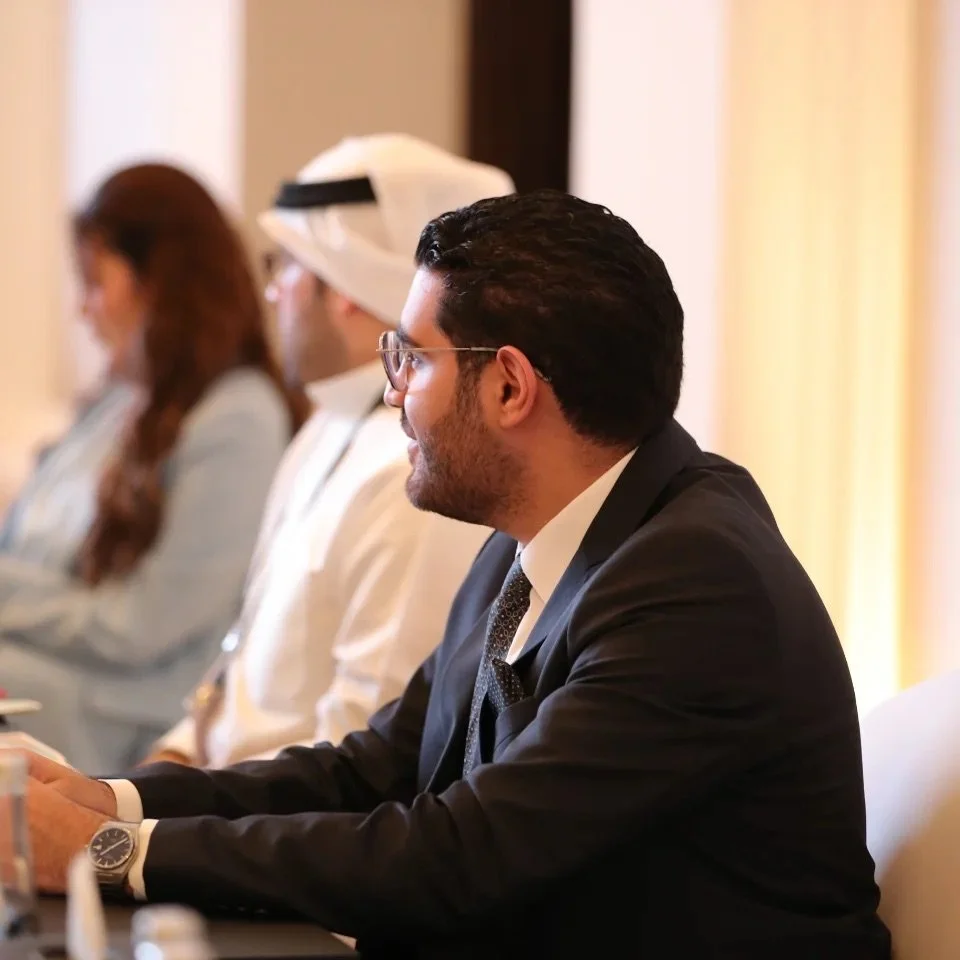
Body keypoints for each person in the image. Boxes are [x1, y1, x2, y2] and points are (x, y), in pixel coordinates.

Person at [25, 190, 891, 959]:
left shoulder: (698, 586)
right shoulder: (535, 537)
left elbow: (459, 855)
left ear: (509, 386)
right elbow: (374, 769)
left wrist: (106, 856)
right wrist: (113, 802)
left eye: (412, 358)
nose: (394, 393)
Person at [140, 135, 511, 769]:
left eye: (285, 265)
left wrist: (155, 832)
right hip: (219, 804)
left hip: (270, 838)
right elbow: (240, 684)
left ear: (343, 284)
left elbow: (359, 762)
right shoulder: (325, 426)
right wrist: (155, 773)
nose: (273, 293)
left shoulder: (412, 471)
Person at [0, 163, 305, 772]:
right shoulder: (117, 401)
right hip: (52, 672)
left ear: (159, 283)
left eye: (94, 282)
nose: (82, 310)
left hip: (126, 713)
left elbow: (142, 625)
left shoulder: (238, 417)